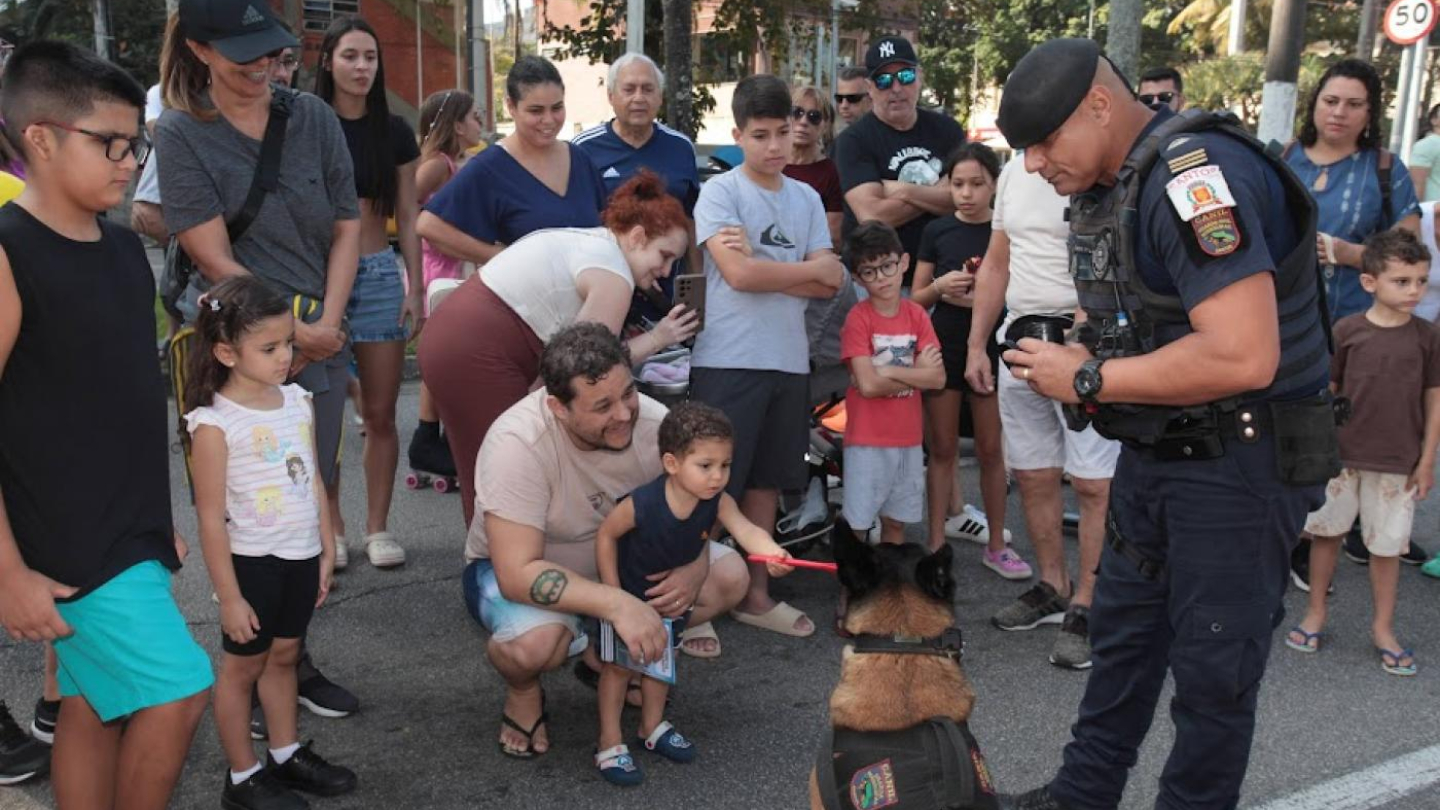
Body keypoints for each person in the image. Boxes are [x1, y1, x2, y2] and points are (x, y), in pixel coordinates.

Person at [993, 39, 1334, 810]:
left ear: (1101, 106)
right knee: (1123, 644)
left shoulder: (1194, 177)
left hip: (1240, 463)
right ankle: (1081, 796)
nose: (1036, 165)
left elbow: (1244, 354)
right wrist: (1090, 350)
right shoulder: (1118, 181)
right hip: (1157, 450)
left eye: (1045, 142)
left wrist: (1085, 376)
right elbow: (1151, 317)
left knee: (1214, 677)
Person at [0, 40, 212, 808]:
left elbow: (115, 399)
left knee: (95, 704)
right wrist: (7, 572)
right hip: (63, 544)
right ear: (42, 138)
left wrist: (155, 523)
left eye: (137, 143)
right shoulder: (8, 250)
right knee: (182, 689)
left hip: (127, 532)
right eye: (110, 143)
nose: (129, 162)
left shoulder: (125, 249)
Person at [157, 0, 362, 721]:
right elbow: (211, 255)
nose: (261, 70)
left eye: (270, 54)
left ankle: (292, 656)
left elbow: (347, 225)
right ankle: (246, 660)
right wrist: (290, 333)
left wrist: (328, 322)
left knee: (309, 491)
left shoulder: (312, 118)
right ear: (201, 51)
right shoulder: (180, 131)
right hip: (232, 343)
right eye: (242, 56)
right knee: (240, 507)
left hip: (316, 335)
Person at [463, 323, 750, 759]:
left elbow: (706, 505)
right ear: (558, 407)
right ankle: (524, 690)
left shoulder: (657, 426)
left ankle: (604, 656)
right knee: (533, 647)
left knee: (728, 576)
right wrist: (620, 605)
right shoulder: (516, 443)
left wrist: (697, 562)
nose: (624, 414)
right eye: (602, 406)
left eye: (628, 394)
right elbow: (516, 575)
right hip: (525, 568)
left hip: (621, 561)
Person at [418, 171, 699, 528]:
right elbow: (589, 371)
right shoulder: (614, 274)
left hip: (456, 338)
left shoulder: (594, 243)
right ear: (639, 237)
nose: (665, 270)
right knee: (510, 466)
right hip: (476, 347)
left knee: (490, 466)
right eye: (664, 256)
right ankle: (503, 569)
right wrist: (659, 338)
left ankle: (499, 564)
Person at [185, 277, 356, 810]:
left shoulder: (297, 401)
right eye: (270, 348)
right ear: (225, 351)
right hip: (251, 564)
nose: (286, 356)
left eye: (288, 344)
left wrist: (325, 547)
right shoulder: (214, 423)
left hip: (301, 554)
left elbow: (314, 481)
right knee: (241, 670)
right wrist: (230, 597)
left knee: (285, 656)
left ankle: (284, 754)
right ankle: (242, 777)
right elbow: (211, 519)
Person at [689, 73, 847, 639]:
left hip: (787, 359)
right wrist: (794, 270)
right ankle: (694, 603)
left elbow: (829, 282)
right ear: (737, 135)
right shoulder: (721, 192)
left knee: (763, 485)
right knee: (708, 484)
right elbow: (737, 274)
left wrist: (767, 269)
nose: (776, 146)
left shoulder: (805, 196)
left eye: (784, 132)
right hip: (728, 359)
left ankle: (755, 596)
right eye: (760, 135)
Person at [964, 152, 1118, 670]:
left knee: (1095, 483)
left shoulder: (1096, 169)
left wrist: (1077, 345)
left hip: (1085, 344)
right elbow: (997, 263)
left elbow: (1113, 262)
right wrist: (976, 345)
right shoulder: (1011, 173)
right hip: (1019, 340)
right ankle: (1053, 584)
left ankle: (1090, 602)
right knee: (1032, 474)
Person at [591, 402, 794, 785]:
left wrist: (771, 552)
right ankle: (609, 740)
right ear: (671, 463)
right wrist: (613, 597)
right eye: (706, 465)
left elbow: (747, 530)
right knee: (618, 670)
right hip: (629, 599)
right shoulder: (644, 504)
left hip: (672, 601)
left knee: (661, 663)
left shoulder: (717, 500)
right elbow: (606, 535)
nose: (718, 476)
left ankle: (651, 727)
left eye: (725, 465)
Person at [1282, 58, 1426, 579]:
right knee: (1283, 429)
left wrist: (1346, 253)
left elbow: (1407, 255)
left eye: (1353, 104)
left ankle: (1323, 538)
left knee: (1338, 435)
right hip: (1284, 324)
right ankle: (1286, 534)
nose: (1338, 113)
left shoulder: (1384, 169)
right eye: (1330, 100)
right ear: (1314, 103)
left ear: (1370, 113)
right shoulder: (1284, 157)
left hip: (1357, 333)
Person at [1284, 231, 1439, 676]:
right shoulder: (1347, 331)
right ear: (1370, 283)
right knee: (1327, 535)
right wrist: (1316, 453)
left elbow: (1434, 400)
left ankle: (1383, 629)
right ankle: (1315, 613)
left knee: (1386, 549)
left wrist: (1427, 460)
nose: (1414, 290)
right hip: (1340, 459)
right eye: (1402, 280)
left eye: (1421, 281)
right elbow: (1327, 396)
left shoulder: (1429, 338)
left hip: (1399, 463)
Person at [315, 16, 424, 569]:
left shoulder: (396, 131)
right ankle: (329, 528)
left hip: (380, 277)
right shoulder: (306, 123)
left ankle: (377, 528)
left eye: (370, 58)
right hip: (318, 280)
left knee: (380, 414)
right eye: (350, 56)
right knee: (325, 415)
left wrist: (416, 285)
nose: (362, 67)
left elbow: (407, 215)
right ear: (329, 59)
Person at [911, 144, 1023, 576]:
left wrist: (988, 296)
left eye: (977, 184)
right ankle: (936, 542)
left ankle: (997, 543)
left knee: (992, 449)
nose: (967, 194)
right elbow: (916, 299)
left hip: (993, 344)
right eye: (957, 184)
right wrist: (941, 287)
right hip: (945, 342)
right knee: (942, 449)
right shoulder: (937, 231)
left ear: (995, 184)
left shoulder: (1006, 231)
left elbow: (1019, 289)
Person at [416, 55, 606, 267]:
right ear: (511, 106)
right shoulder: (490, 166)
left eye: (557, 108)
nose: (549, 120)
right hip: (527, 296)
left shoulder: (579, 158)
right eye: (536, 111)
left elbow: (607, 221)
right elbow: (429, 225)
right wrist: (500, 257)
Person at [838, 221, 944, 553]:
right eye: (869, 272)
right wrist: (914, 369)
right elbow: (867, 385)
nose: (881, 277)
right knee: (857, 523)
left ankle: (888, 588)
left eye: (887, 266)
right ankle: (851, 594)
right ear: (857, 278)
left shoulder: (917, 315)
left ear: (904, 262)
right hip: (867, 441)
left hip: (909, 440)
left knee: (896, 522)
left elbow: (938, 379)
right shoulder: (859, 318)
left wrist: (885, 368)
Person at [834, 35, 966, 287]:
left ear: (920, 77)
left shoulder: (948, 130)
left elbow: (965, 197)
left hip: (943, 281)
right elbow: (873, 216)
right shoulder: (852, 141)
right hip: (875, 285)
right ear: (870, 88)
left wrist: (901, 189)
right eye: (884, 81)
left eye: (905, 76)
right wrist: (937, 190)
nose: (896, 88)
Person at [406, 88, 484, 482]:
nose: (480, 123)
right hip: (434, 270)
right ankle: (426, 436)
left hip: (450, 267)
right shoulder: (437, 164)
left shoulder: (455, 164)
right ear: (455, 123)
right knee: (438, 357)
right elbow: (407, 207)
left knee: (443, 356)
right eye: (474, 116)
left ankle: (435, 436)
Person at [786, 84, 854, 406]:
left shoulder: (829, 171)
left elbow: (831, 235)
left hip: (809, 271)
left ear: (825, 125)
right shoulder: (771, 162)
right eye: (796, 112)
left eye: (813, 116)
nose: (803, 122)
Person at [1408, 104, 1440, 203]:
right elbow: (1416, 184)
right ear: (1434, 120)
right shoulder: (1427, 145)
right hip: (1433, 212)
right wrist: (1416, 215)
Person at [833, 65, 872, 132]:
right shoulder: (840, 138)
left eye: (852, 98)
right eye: (839, 98)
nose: (844, 105)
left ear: (871, 98)